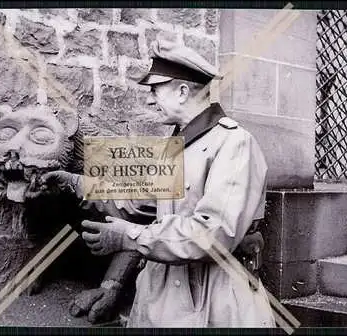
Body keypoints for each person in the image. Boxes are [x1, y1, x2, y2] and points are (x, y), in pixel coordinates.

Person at [41, 40, 275, 328]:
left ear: (182, 91)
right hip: (161, 297)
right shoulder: (177, 144)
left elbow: (211, 235)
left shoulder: (235, 143)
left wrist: (130, 237)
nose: (150, 100)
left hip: (214, 300)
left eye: (154, 90)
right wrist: (75, 184)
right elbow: (140, 202)